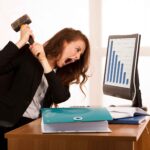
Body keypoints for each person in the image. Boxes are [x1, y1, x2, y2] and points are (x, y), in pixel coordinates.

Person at [0, 25, 90, 149]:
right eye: (77, 49)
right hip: (8, 126)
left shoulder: (61, 73)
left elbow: (60, 96)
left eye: (81, 54)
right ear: (63, 42)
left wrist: (43, 60)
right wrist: (22, 41)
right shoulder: (27, 54)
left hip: (34, 126)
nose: (78, 57)